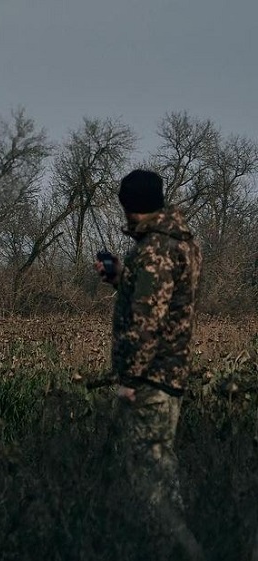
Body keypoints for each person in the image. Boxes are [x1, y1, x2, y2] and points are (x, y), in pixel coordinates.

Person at [95, 169, 201, 522]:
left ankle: (169, 559)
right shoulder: (179, 241)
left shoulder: (155, 250)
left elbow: (147, 324)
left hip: (151, 379)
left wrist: (129, 380)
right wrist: (122, 276)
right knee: (158, 467)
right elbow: (164, 299)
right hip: (168, 374)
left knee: (150, 478)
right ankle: (174, 553)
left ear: (130, 207)